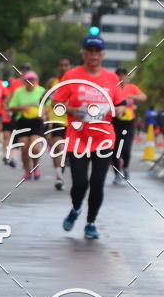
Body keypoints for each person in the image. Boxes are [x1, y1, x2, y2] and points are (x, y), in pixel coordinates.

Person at [56, 32, 124, 239]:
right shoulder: (71, 76)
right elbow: (57, 104)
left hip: (103, 138)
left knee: (97, 182)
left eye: (97, 51)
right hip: (77, 137)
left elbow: (121, 106)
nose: (93, 55)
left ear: (103, 55)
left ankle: (90, 223)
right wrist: (72, 110)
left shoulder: (112, 79)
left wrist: (119, 111)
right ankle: (76, 209)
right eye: (89, 51)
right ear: (83, 53)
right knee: (79, 183)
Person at [7, 71, 45, 179]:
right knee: (24, 148)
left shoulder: (41, 91)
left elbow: (47, 104)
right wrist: (22, 108)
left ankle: (35, 168)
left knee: (35, 148)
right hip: (23, 121)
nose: (30, 82)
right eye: (28, 80)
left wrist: (43, 113)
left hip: (37, 121)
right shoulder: (19, 92)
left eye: (32, 80)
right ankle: (27, 170)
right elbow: (11, 107)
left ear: (36, 81)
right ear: (24, 82)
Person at [112, 67, 147, 183]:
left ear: (128, 77)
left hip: (129, 123)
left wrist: (131, 97)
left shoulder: (132, 88)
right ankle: (117, 174)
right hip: (115, 122)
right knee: (115, 150)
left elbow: (143, 97)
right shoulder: (113, 89)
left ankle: (126, 167)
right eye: (119, 76)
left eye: (124, 75)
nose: (121, 78)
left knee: (126, 150)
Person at [45, 57, 71, 190]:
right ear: (58, 67)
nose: (63, 67)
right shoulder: (52, 82)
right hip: (56, 120)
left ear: (69, 67)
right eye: (61, 65)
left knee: (66, 150)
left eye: (66, 65)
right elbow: (45, 99)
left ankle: (63, 165)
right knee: (58, 148)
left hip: (72, 121)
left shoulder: (74, 82)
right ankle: (59, 176)